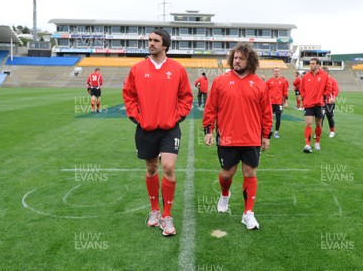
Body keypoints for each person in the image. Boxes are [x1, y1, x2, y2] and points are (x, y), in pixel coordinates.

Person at [122, 29, 193, 237]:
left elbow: (186, 98)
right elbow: (129, 96)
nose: (151, 43)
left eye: (156, 41)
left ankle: (167, 215)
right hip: (146, 128)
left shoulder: (178, 69)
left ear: (165, 46)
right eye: (149, 40)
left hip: (170, 129)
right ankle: (154, 210)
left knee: (168, 167)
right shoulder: (137, 69)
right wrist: (138, 117)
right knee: (152, 168)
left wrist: (176, 117)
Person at [203, 42, 272, 230]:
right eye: (235, 57)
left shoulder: (259, 84)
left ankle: (248, 213)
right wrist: (208, 130)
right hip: (227, 138)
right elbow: (211, 108)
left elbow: (266, 112)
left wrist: (266, 135)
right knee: (227, 174)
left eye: (241, 58)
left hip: (251, 138)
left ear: (250, 60)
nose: (237, 61)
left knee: (250, 173)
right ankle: (225, 194)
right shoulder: (220, 81)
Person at [300, 58, 332, 153]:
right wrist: (304, 97)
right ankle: (307, 144)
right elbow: (302, 89)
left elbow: (328, 88)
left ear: (318, 65)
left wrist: (322, 97)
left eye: (313, 64)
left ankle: (317, 142)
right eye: (310, 64)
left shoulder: (325, 75)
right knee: (308, 123)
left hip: (319, 104)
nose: (311, 65)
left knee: (318, 124)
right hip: (308, 104)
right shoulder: (305, 76)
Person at [266, 67, 289, 139]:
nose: (277, 72)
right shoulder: (269, 81)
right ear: (273, 72)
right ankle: (270, 129)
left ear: (280, 72)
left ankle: (276, 132)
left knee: (278, 117)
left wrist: (286, 102)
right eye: (275, 71)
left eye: (278, 71)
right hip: (270, 102)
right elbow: (265, 92)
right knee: (269, 117)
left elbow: (285, 92)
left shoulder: (283, 81)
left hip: (279, 102)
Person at [322, 67, 340, 138]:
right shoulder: (320, 80)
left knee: (329, 116)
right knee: (320, 117)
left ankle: (332, 131)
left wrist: (333, 97)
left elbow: (336, 90)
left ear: (326, 72)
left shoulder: (332, 80)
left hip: (329, 102)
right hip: (321, 102)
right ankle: (318, 132)